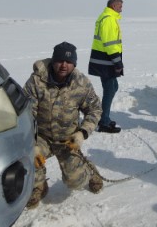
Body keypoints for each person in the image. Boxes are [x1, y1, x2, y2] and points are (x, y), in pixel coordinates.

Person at [23, 42, 103, 209]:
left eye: (68, 62)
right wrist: (31, 143)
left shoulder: (81, 83)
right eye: (60, 60)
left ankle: (89, 171)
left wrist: (82, 133)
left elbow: (95, 109)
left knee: (75, 182)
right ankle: (38, 186)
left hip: (68, 140)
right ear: (53, 61)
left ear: (74, 63)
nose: (64, 65)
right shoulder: (37, 81)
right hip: (42, 137)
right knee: (28, 157)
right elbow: (25, 114)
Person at [88, 0, 124, 133]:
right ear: (114, 6)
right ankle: (103, 122)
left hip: (105, 60)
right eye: (120, 7)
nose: (121, 10)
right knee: (110, 89)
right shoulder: (108, 19)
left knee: (113, 87)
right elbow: (109, 43)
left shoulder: (106, 17)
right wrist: (117, 61)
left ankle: (104, 117)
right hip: (106, 61)